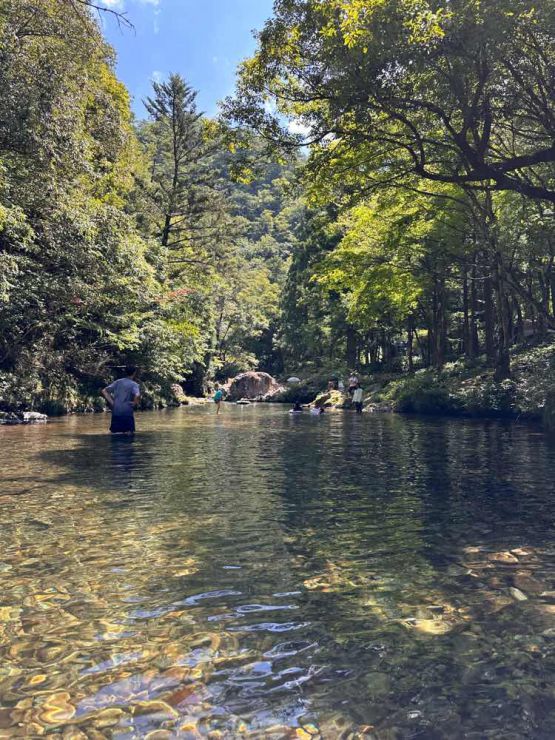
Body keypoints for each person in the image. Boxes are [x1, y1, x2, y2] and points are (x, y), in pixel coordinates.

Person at [101, 366, 141, 435]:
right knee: (128, 436)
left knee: (115, 434)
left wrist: (112, 403)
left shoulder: (118, 382)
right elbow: (137, 395)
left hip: (116, 412)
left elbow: (104, 391)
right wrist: (134, 403)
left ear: (125, 372)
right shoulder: (134, 385)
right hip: (127, 413)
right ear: (134, 373)